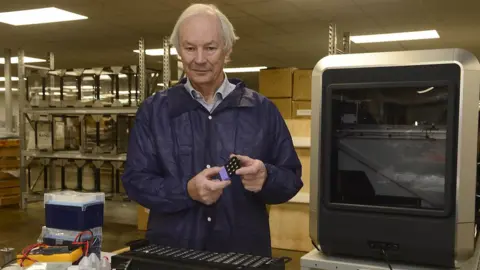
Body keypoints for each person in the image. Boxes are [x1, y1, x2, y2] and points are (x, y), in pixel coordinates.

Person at [122, 3, 303, 257]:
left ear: (227, 50)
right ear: (178, 51)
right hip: (174, 256)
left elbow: (291, 178)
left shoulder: (262, 111)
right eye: (189, 48)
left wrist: (267, 177)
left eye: (210, 48)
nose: (198, 59)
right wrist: (186, 191)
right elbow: (136, 182)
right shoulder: (154, 112)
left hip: (241, 256)